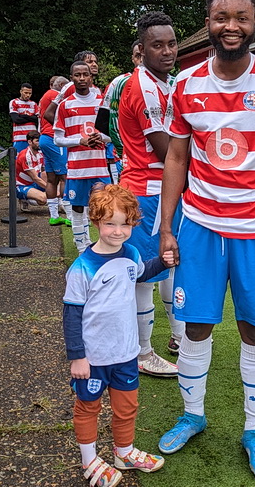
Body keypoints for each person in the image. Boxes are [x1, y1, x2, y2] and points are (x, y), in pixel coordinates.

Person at [157, 0, 255, 482]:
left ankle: (254, 430)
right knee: (195, 325)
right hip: (200, 225)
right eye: (222, 18)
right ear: (208, 22)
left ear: (254, 24)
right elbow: (176, 157)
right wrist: (166, 227)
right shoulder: (185, 84)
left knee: (254, 329)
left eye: (241, 18)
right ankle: (192, 415)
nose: (231, 27)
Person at [62, 184, 172, 487]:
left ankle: (124, 452)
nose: (118, 231)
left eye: (125, 224)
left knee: (127, 407)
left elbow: (140, 272)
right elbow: (71, 315)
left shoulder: (131, 252)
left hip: (126, 353)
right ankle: (89, 461)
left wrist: (162, 262)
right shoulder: (82, 268)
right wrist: (77, 357)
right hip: (94, 358)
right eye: (110, 223)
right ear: (96, 221)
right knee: (88, 407)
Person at [117, 11, 181, 376]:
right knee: (144, 274)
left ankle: (177, 336)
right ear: (141, 50)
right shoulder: (142, 87)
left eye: (172, 43)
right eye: (158, 45)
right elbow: (167, 150)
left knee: (170, 263)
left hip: (161, 189)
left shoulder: (164, 83)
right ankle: (142, 353)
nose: (168, 51)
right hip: (147, 189)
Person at [53, 60, 110, 254]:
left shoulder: (101, 102)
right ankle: (81, 248)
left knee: (104, 209)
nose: (82, 78)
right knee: (78, 208)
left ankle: (105, 249)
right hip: (77, 169)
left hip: (100, 168)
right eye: (77, 75)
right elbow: (58, 139)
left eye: (85, 74)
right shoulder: (65, 105)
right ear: (72, 79)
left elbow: (113, 134)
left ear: (91, 76)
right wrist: (80, 141)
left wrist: (101, 137)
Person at [96, 41, 144, 184]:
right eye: (138, 56)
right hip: (129, 158)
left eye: (144, 55)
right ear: (133, 59)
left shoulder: (170, 82)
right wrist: (124, 148)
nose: (142, 60)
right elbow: (103, 122)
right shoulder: (120, 83)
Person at [38, 75, 72, 226]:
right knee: (65, 176)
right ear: (61, 85)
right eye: (65, 87)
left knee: (52, 178)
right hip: (53, 138)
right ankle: (71, 216)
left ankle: (54, 215)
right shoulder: (54, 96)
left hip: (45, 137)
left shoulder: (45, 96)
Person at [43, 51, 101, 125]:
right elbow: (48, 114)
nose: (94, 64)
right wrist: (66, 129)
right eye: (89, 62)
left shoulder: (97, 90)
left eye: (95, 62)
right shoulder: (71, 87)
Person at [15, 130, 47, 211]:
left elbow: (43, 171)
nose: (39, 143)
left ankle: (56, 202)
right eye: (37, 141)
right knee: (43, 199)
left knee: (49, 174)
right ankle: (24, 199)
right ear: (30, 142)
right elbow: (35, 178)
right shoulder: (25, 156)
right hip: (22, 185)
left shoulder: (40, 153)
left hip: (33, 182)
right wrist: (50, 189)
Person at [8, 83, 39, 154]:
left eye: (30, 93)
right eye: (25, 93)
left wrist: (24, 116)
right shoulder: (14, 102)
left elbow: (37, 119)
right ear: (21, 91)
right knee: (18, 158)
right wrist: (31, 117)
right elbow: (16, 119)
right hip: (19, 137)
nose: (28, 95)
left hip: (32, 137)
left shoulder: (33, 104)